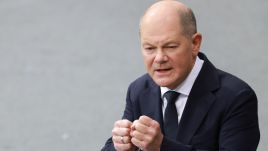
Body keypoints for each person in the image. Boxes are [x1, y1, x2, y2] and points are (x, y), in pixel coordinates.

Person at [101, 0, 260, 151]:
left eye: (170, 47)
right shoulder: (138, 90)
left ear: (195, 43)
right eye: (149, 48)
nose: (159, 58)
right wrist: (120, 146)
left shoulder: (236, 97)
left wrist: (162, 146)